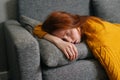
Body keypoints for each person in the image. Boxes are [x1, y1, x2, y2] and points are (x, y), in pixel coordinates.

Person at [33, 11, 102, 61]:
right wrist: (58, 41)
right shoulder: (79, 26)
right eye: (64, 39)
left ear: (74, 24)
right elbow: (37, 28)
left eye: (68, 33)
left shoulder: (95, 27)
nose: (69, 41)